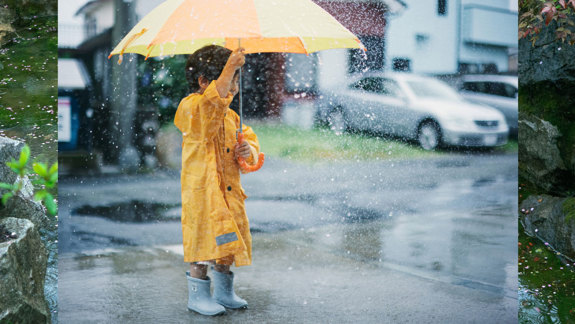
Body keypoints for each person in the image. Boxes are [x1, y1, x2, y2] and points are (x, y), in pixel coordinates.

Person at [174, 45, 261, 316]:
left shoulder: (232, 116)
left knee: (226, 244)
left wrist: (249, 152)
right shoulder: (191, 108)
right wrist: (231, 65)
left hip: (227, 194)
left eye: (237, 79)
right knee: (201, 243)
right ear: (203, 81)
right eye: (232, 78)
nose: (235, 86)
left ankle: (223, 291)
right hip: (202, 194)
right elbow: (210, 107)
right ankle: (198, 294)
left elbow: (250, 143)